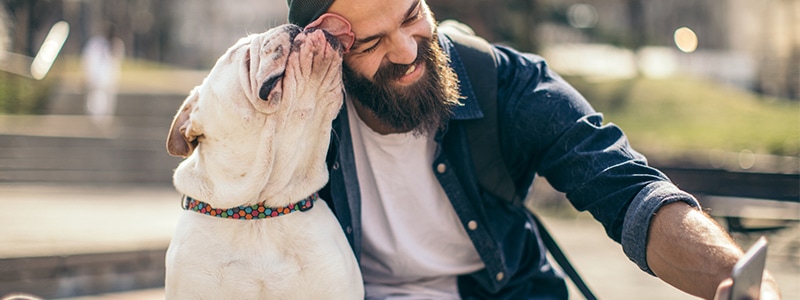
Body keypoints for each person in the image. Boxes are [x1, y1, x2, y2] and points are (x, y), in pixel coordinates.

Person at [285, 0, 783, 299]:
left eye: (413, 15)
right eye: (372, 44)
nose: (408, 51)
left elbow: (628, 191)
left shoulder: (504, 81)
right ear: (328, 51)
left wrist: (733, 278)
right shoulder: (292, 119)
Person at [82, 23, 124, 125]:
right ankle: (94, 123)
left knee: (107, 104)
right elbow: (89, 60)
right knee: (95, 102)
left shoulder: (116, 44)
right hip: (96, 78)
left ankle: (105, 123)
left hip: (109, 79)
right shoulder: (95, 43)